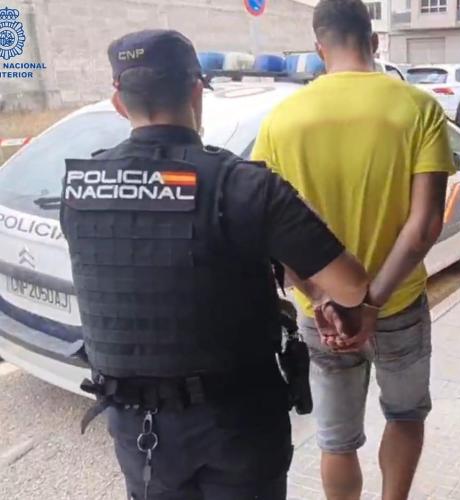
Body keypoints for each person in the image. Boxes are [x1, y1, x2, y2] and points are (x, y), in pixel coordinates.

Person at [61, 29, 369, 500]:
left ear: (119, 102)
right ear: (195, 91)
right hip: (237, 426)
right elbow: (351, 286)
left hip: (140, 433)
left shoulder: (82, 191)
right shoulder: (244, 186)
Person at [251, 0, 454, 498]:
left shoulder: (281, 120)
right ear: (374, 41)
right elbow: (425, 225)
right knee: (404, 416)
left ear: (319, 48)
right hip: (397, 304)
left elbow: (270, 229)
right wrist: (372, 303)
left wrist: (321, 296)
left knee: (337, 442)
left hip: (322, 315)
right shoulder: (418, 108)